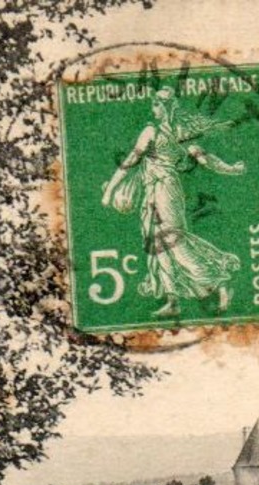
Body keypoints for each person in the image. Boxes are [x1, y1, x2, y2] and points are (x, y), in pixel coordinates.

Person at [101, 86, 245, 318]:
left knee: (173, 240)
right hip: (155, 190)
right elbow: (205, 159)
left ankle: (218, 281)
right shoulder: (180, 132)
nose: (153, 109)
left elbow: (131, 160)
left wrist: (111, 189)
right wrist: (231, 169)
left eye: (157, 105)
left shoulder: (153, 131)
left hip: (164, 190)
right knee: (156, 245)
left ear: (165, 106)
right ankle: (173, 300)